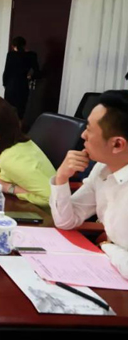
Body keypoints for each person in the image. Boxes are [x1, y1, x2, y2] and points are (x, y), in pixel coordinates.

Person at [50, 90, 128, 278]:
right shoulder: (102, 168)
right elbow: (66, 221)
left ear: (117, 144)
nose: (83, 135)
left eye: (90, 129)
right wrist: (61, 178)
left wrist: (108, 246)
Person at [2, 36, 39, 119]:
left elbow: (6, 71)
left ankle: (9, 126)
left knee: (8, 110)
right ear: (24, 45)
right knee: (20, 111)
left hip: (11, 85)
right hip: (23, 85)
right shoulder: (32, 55)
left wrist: (5, 83)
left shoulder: (11, 55)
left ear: (13, 46)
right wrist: (30, 77)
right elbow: (37, 72)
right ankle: (19, 126)